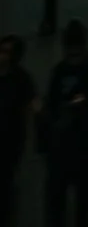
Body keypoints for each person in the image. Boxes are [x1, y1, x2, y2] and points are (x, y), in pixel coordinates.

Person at [41, 21, 88, 227]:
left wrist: (87, 103)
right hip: (63, 147)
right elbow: (52, 103)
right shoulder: (61, 70)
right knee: (59, 202)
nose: (71, 57)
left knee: (81, 202)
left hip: (83, 147)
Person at [0, 34, 38, 227]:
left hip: (9, 142)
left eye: (6, 52)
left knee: (6, 183)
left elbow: (32, 106)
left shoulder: (21, 79)